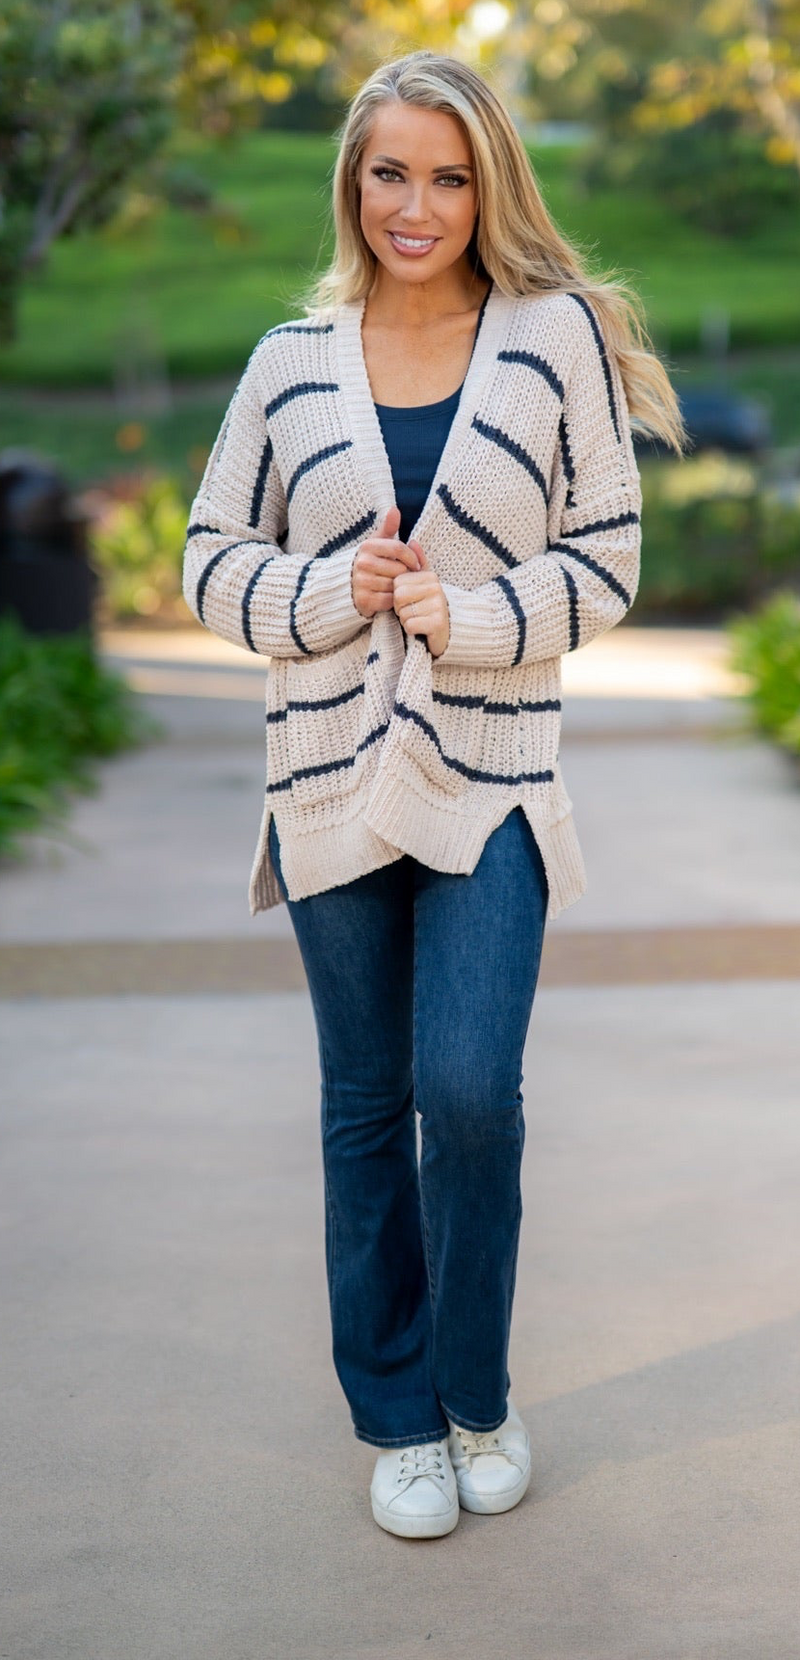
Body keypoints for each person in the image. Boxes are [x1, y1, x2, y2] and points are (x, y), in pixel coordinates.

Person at [182, 50, 684, 1540]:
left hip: (494, 780)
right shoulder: (289, 359)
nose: (418, 204)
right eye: (391, 172)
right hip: (328, 778)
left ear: (491, 187)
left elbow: (606, 563)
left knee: (469, 1095)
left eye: (450, 175)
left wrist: (459, 619)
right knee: (363, 1105)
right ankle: (398, 1418)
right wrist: (335, 590)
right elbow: (210, 560)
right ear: (354, 183)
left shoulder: (553, 341)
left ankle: (477, 1393)